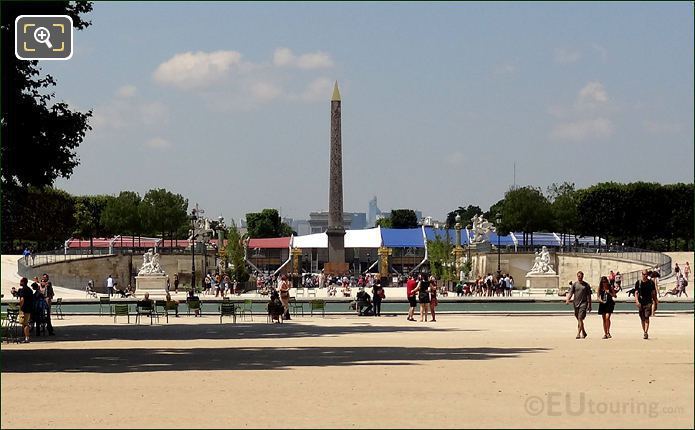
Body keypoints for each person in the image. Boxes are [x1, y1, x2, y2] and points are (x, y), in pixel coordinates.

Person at [565, 271, 592, 339]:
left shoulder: (586, 285)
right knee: (579, 319)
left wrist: (590, 305)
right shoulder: (575, 284)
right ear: (577, 276)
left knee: (580, 318)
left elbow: (589, 296)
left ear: (583, 276)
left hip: (583, 303)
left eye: (581, 276)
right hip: (576, 303)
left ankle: (578, 334)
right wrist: (568, 299)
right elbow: (571, 293)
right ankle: (584, 332)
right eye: (579, 276)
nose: (580, 277)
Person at [635, 270, 658, 340]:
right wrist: (636, 301)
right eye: (644, 274)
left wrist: (656, 302)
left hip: (648, 302)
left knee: (647, 317)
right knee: (642, 318)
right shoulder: (638, 283)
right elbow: (636, 293)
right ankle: (644, 331)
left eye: (646, 274)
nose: (645, 275)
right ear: (642, 274)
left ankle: (645, 332)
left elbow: (653, 293)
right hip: (641, 302)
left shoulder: (651, 283)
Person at [17, 278, 34, 343]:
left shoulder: (23, 290)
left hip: (24, 308)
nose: (20, 283)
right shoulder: (29, 290)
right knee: (25, 323)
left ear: (23, 282)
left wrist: (20, 307)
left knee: (25, 323)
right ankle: (26, 336)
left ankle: (27, 338)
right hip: (29, 308)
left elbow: (22, 299)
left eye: (21, 281)